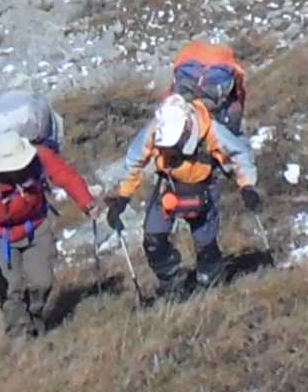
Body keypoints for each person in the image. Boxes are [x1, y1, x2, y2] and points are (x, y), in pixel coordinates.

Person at [108, 90, 259, 300]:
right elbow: (135, 160)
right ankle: (172, 287)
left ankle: (211, 284)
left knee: (205, 246)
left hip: (204, 186)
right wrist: (122, 198)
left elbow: (238, 155)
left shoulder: (211, 131)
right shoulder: (155, 129)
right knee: (153, 241)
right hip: (167, 186)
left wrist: (247, 187)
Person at [0, 131, 94, 332]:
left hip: (36, 227)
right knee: (11, 287)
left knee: (43, 281)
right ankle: (19, 334)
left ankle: (35, 317)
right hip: (1, 236)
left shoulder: (39, 158)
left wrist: (87, 203)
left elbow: (65, 176)